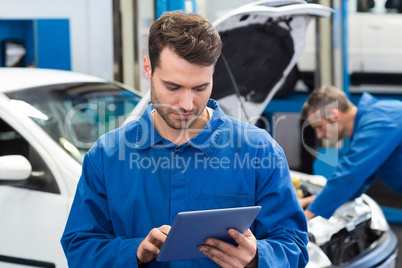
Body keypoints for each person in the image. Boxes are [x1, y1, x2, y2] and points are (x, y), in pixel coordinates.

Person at [61, 11, 308, 267]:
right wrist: (134, 252)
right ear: (148, 69)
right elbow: (80, 247)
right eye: (173, 87)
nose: (187, 104)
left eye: (200, 88)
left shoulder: (259, 151)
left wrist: (257, 258)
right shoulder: (107, 156)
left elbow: (295, 245)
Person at [300, 85, 402, 220]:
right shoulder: (372, 120)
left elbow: (351, 173)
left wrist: (305, 218)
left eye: (319, 127)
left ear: (334, 115)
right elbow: (356, 184)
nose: (319, 135)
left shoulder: (380, 118)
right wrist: (311, 201)